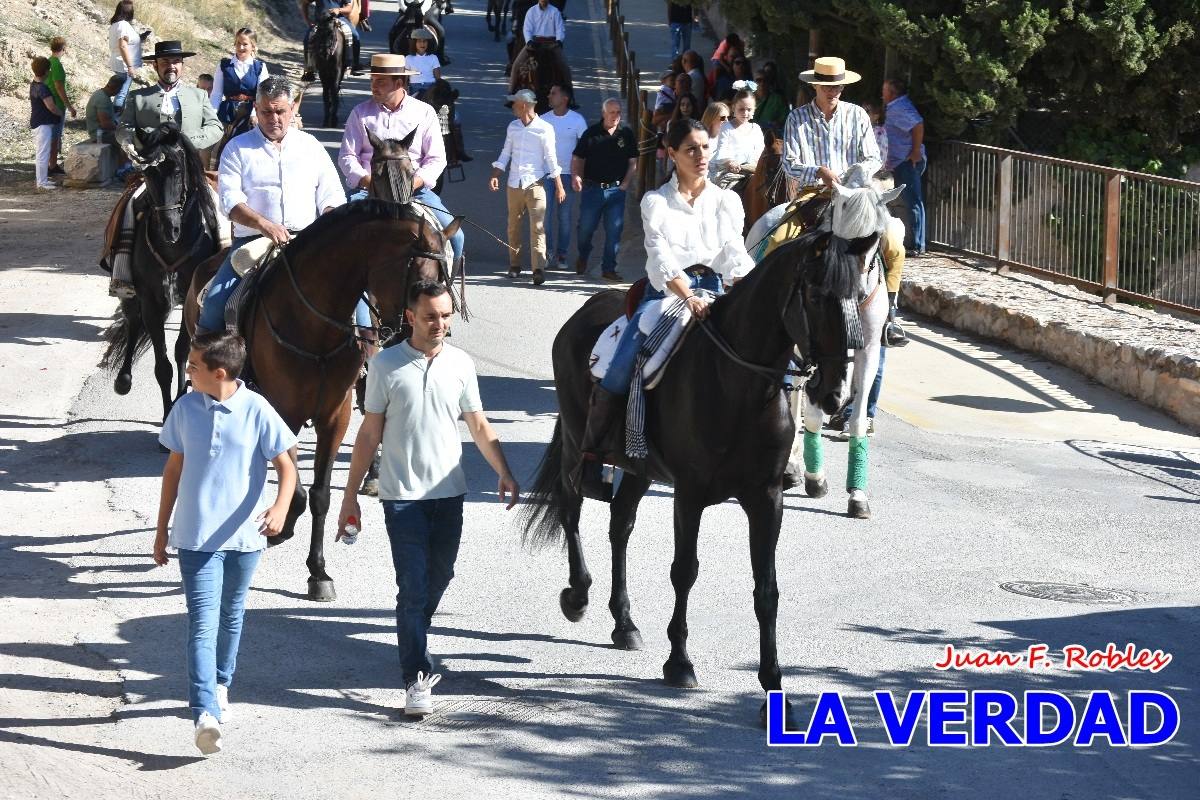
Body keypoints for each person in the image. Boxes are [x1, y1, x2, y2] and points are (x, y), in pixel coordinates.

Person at [337, 280, 519, 718]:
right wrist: (350, 497)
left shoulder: (460, 363)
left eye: (446, 315)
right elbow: (369, 434)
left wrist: (504, 472)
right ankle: (415, 677)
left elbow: (477, 423)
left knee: (439, 577)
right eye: (432, 316)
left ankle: (412, 627)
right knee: (413, 588)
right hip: (401, 498)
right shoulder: (385, 366)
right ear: (411, 317)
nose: (440, 324)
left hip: (450, 494)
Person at [572, 118, 755, 496]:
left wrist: (746, 285)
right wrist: (687, 294)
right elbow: (659, 255)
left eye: (705, 147)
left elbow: (734, 251)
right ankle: (594, 453)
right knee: (624, 360)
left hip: (716, 291)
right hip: (667, 295)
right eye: (691, 149)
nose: (701, 155)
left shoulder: (727, 201)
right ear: (671, 154)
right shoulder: (656, 202)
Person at [154, 331, 298, 755]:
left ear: (219, 372)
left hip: (245, 538)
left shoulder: (257, 409)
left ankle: (220, 684)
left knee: (231, 616)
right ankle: (204, 712)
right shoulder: (184, 408)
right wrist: (162, 528)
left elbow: (287, 466)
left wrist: (280, 507)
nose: (187, 370)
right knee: (202, 623)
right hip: (196, 537)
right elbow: (172, 472)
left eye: (193, 366)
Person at [198, 76, 346, 333]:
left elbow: (332, 195)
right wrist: (264, 225)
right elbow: (230, 202)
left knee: (355, 295)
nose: (273, 118)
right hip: (253, 244)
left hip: (308, 241)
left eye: (280, 111)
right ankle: (204, 366)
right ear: (256, 109)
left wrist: (329, 224)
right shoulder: (237, 148)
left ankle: (367, 356)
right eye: (266, 111)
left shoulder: (311, 146)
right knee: (213, 304)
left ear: (292, 109)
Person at [107, 41, 224, 298]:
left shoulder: (198, 96)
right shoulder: (139, 98)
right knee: (128, 206)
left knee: (217, 206)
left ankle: (221, 264)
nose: (170, 67)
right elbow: (123, 129)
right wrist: (136, 140)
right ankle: (121, 271)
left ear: (181, 65)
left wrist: (187, 140)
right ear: (155, 66)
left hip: (191, 173)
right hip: (152, 172)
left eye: (175, 62)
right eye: (164, 63)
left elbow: (216, 127)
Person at [338, 53, 465, 276]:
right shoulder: (360, 113)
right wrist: (368, 181)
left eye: (380, 82)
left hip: (416, 192)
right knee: (334, 232)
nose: (373, 87)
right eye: (372, 81)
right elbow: (347, 156)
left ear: (399, 83)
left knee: (455, 236)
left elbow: (436, 158)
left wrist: (414, 182)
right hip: (368, 191)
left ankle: (445, 289)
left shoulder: (424, 112)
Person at [489, 88, 564, 285]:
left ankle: (538, 269)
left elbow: (551, 158)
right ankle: (515, 264)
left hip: (535, 183)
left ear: (523, 105)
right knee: (513, 226)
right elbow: (506, 152)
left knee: (537, 227)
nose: (512, 107)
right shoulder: (513, 127)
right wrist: (496, 173)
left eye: (514, 104)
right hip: (514, 183)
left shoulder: (545, 128)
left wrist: (559, 185)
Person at [572, 98, 637, 281]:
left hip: (616, 191)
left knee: (614, 232)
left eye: (618, 112)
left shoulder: (626, 134)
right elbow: (578, 157)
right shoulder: (591, 133)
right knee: (585, 229)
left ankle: (609, 268)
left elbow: (633, 162)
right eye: (612, 112)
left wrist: (625, 184)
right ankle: (583, 254)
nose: (616, 116)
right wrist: (577, 175)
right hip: (592, 190)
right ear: (604, 114)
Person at [540, 84, 587, 270]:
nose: (549, 96)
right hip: (546, 174)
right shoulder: (543, 119)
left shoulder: (577, 120)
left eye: (553, 93)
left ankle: (562, 254)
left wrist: (579, 175)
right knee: (545, 215)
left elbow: (584, 149)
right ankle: (548, 251)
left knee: (564, 217)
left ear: (565, 98)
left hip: (567, 175)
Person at [883, 77, 927, 255]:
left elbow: (917, 124)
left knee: (913, 202)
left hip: (906, 160)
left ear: (892, 93)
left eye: (884, 90)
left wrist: (915, 151)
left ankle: (916, 245)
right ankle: (916, 243)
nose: (882, 94)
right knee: (912, 202)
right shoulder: (896, 106)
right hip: (901, 160)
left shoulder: (898, 107)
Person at [210, 27, 269, 127]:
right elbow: (216, 94)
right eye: (238, 43)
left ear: (253, 46)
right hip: (227, 113)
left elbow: (261, 96)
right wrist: (212, 115)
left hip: (251, 113)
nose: (241, 47)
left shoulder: (260, 67)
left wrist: (254, 114)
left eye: (245, 44)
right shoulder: (223, 65)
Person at [708, 87, 763, 184]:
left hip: (752, 170)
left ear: (754, 109)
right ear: (733, 108)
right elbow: (722, 149)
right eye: (741, 109)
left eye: (749, 109)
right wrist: (730, 162)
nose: (745, 113)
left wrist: (755, 164)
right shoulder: (726, 127)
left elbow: (760, 151)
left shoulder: (756, 129)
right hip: (730, 170)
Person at [301, 0, 362, 82]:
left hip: (339, 19)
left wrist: (339, 10)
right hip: (320, 20)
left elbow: (349, 8)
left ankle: (354, 64)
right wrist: (307, 21)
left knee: (355, 36)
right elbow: (305, 3)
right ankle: (309, 70)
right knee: (307, 38)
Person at [108, 0, 148, 112]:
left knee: (120, 91)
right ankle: (115, 119)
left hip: (119, 62)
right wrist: (130, 66)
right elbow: (123, 46)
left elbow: (125, 43)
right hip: (124, 64)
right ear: (130, 12)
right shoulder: (123, 25)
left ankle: (113, 116)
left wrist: (139, 39)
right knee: (122, 93)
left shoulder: (116, 25)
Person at [29, 57, 62, 191]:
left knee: (42, 152)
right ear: (46, 71)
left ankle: (42, 181)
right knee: (43, 153)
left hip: (39, 122)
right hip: (43, 123)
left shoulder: (34, 84)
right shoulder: (42, 88)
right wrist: (60, 113)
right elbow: (51, 107)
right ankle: (41, 183)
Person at [45, 37, 76, 177]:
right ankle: (51, 165)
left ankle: (50, 163)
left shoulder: (47, 62)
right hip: (57, 104)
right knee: (55, 137)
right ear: (63, 48)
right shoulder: (56, 64)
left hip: (47, 103)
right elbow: (59, 86)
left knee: (50, 136)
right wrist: (69, 106)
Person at [520, 0, 570, 87]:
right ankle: (511, 91)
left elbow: (560, 29)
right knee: (516, 65)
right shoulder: (531, 11)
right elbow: (527, 29)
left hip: (552, 44)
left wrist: (559, 40)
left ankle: (569, 92)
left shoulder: (555, 11)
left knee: (564, 66)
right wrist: (529, 41)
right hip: (535, 43)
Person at [85, 73, 123, 144]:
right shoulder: (103, 99)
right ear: (116, 88)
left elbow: (106, 109)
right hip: (101, 136)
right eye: (120, 89)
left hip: (102, 133)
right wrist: (120, 128)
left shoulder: (100, 93)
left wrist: (117, 109)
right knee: (128, 141)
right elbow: (105, 124)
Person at [406, 28, 441, 96]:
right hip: (414, 87)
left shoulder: (433, 57)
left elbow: (437, 77)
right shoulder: (408, 58)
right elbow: (405, 77)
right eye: (419, 41)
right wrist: (405, 88)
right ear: (414, 43)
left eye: (424, 41)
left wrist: (438, 88)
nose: (422, 44)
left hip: (430, 86)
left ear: (428, 43)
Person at [753, 69, 788, 133]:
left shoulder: (777, 99)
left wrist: (777, 123)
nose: (762, 83)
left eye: (765, 80)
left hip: (771, 136)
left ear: (768, 82)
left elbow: (786, 119)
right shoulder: (747, 99)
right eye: (759, 80)